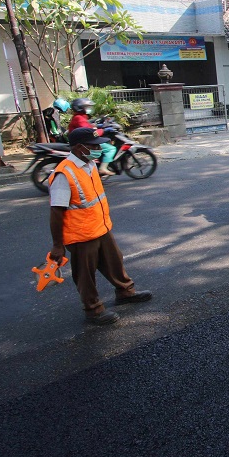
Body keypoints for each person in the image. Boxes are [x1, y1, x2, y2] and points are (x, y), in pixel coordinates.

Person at [48, 127, 152, 326]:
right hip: (81, 235)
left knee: (115, 261)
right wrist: (57, 245)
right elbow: (56, 212)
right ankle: (93, 309)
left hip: (100, 227)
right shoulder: (64, 174)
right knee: (85, 275)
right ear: (79, 148)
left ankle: (125, 292)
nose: (99, 148)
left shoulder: (89, 165)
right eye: (94, 146)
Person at [67, 98, 117, 178]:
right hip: (85, 141)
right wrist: (103, 130)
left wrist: (98, 126)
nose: (89, 109)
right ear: (80, 108)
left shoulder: (80, 117)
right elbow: (90, 132)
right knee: (111, 149)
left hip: (84, 140)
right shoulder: (79, 118)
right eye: (87, 107)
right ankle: (103, 168)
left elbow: (88, 126)